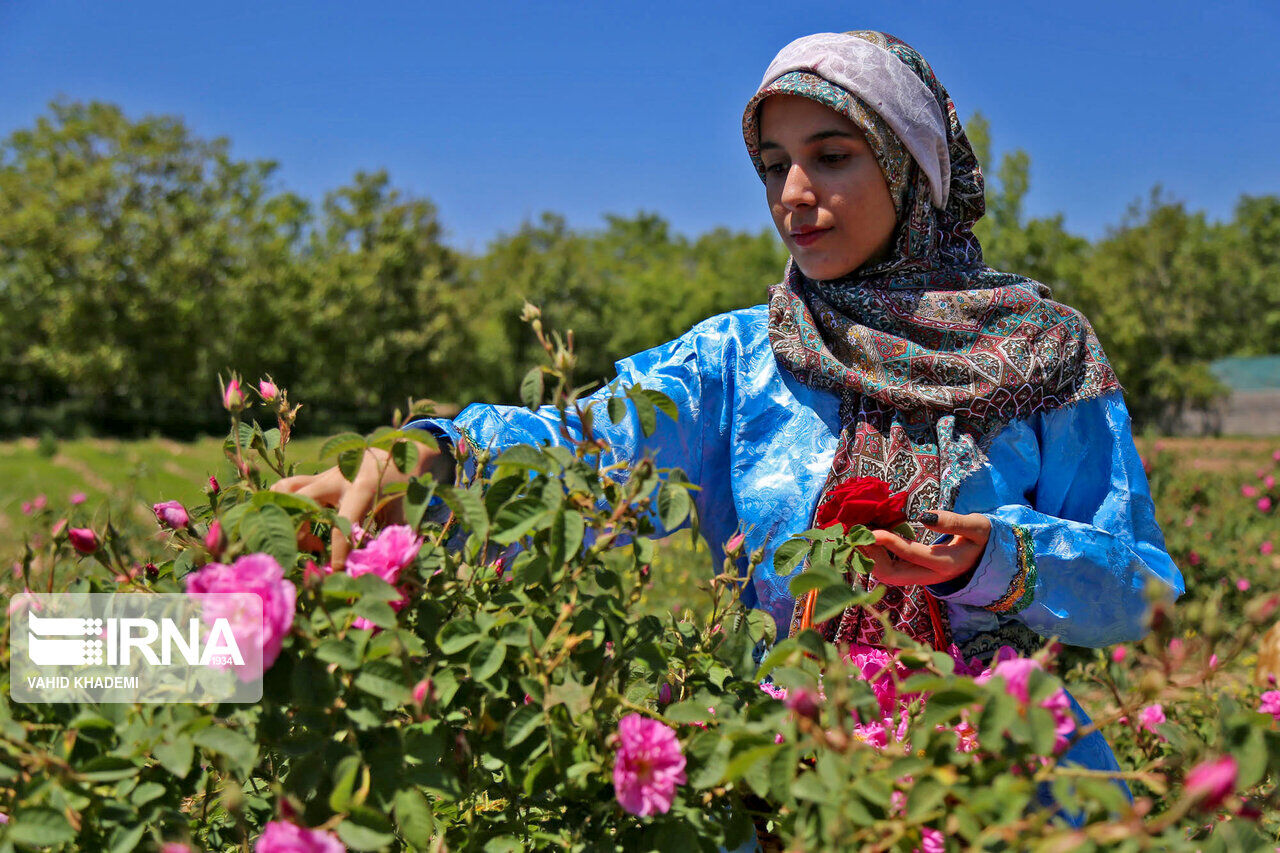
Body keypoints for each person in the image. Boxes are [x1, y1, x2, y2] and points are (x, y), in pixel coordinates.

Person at [273, 29, 1183, 806]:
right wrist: (431, 460)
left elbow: (1144, 592)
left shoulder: (1044, 352)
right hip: (782, 781)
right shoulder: (741, 358)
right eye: (772, 164)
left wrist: (993, 559)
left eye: (831, 155)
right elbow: (584, 448)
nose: (792, 192)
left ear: (912, 167)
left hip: (995, 789)